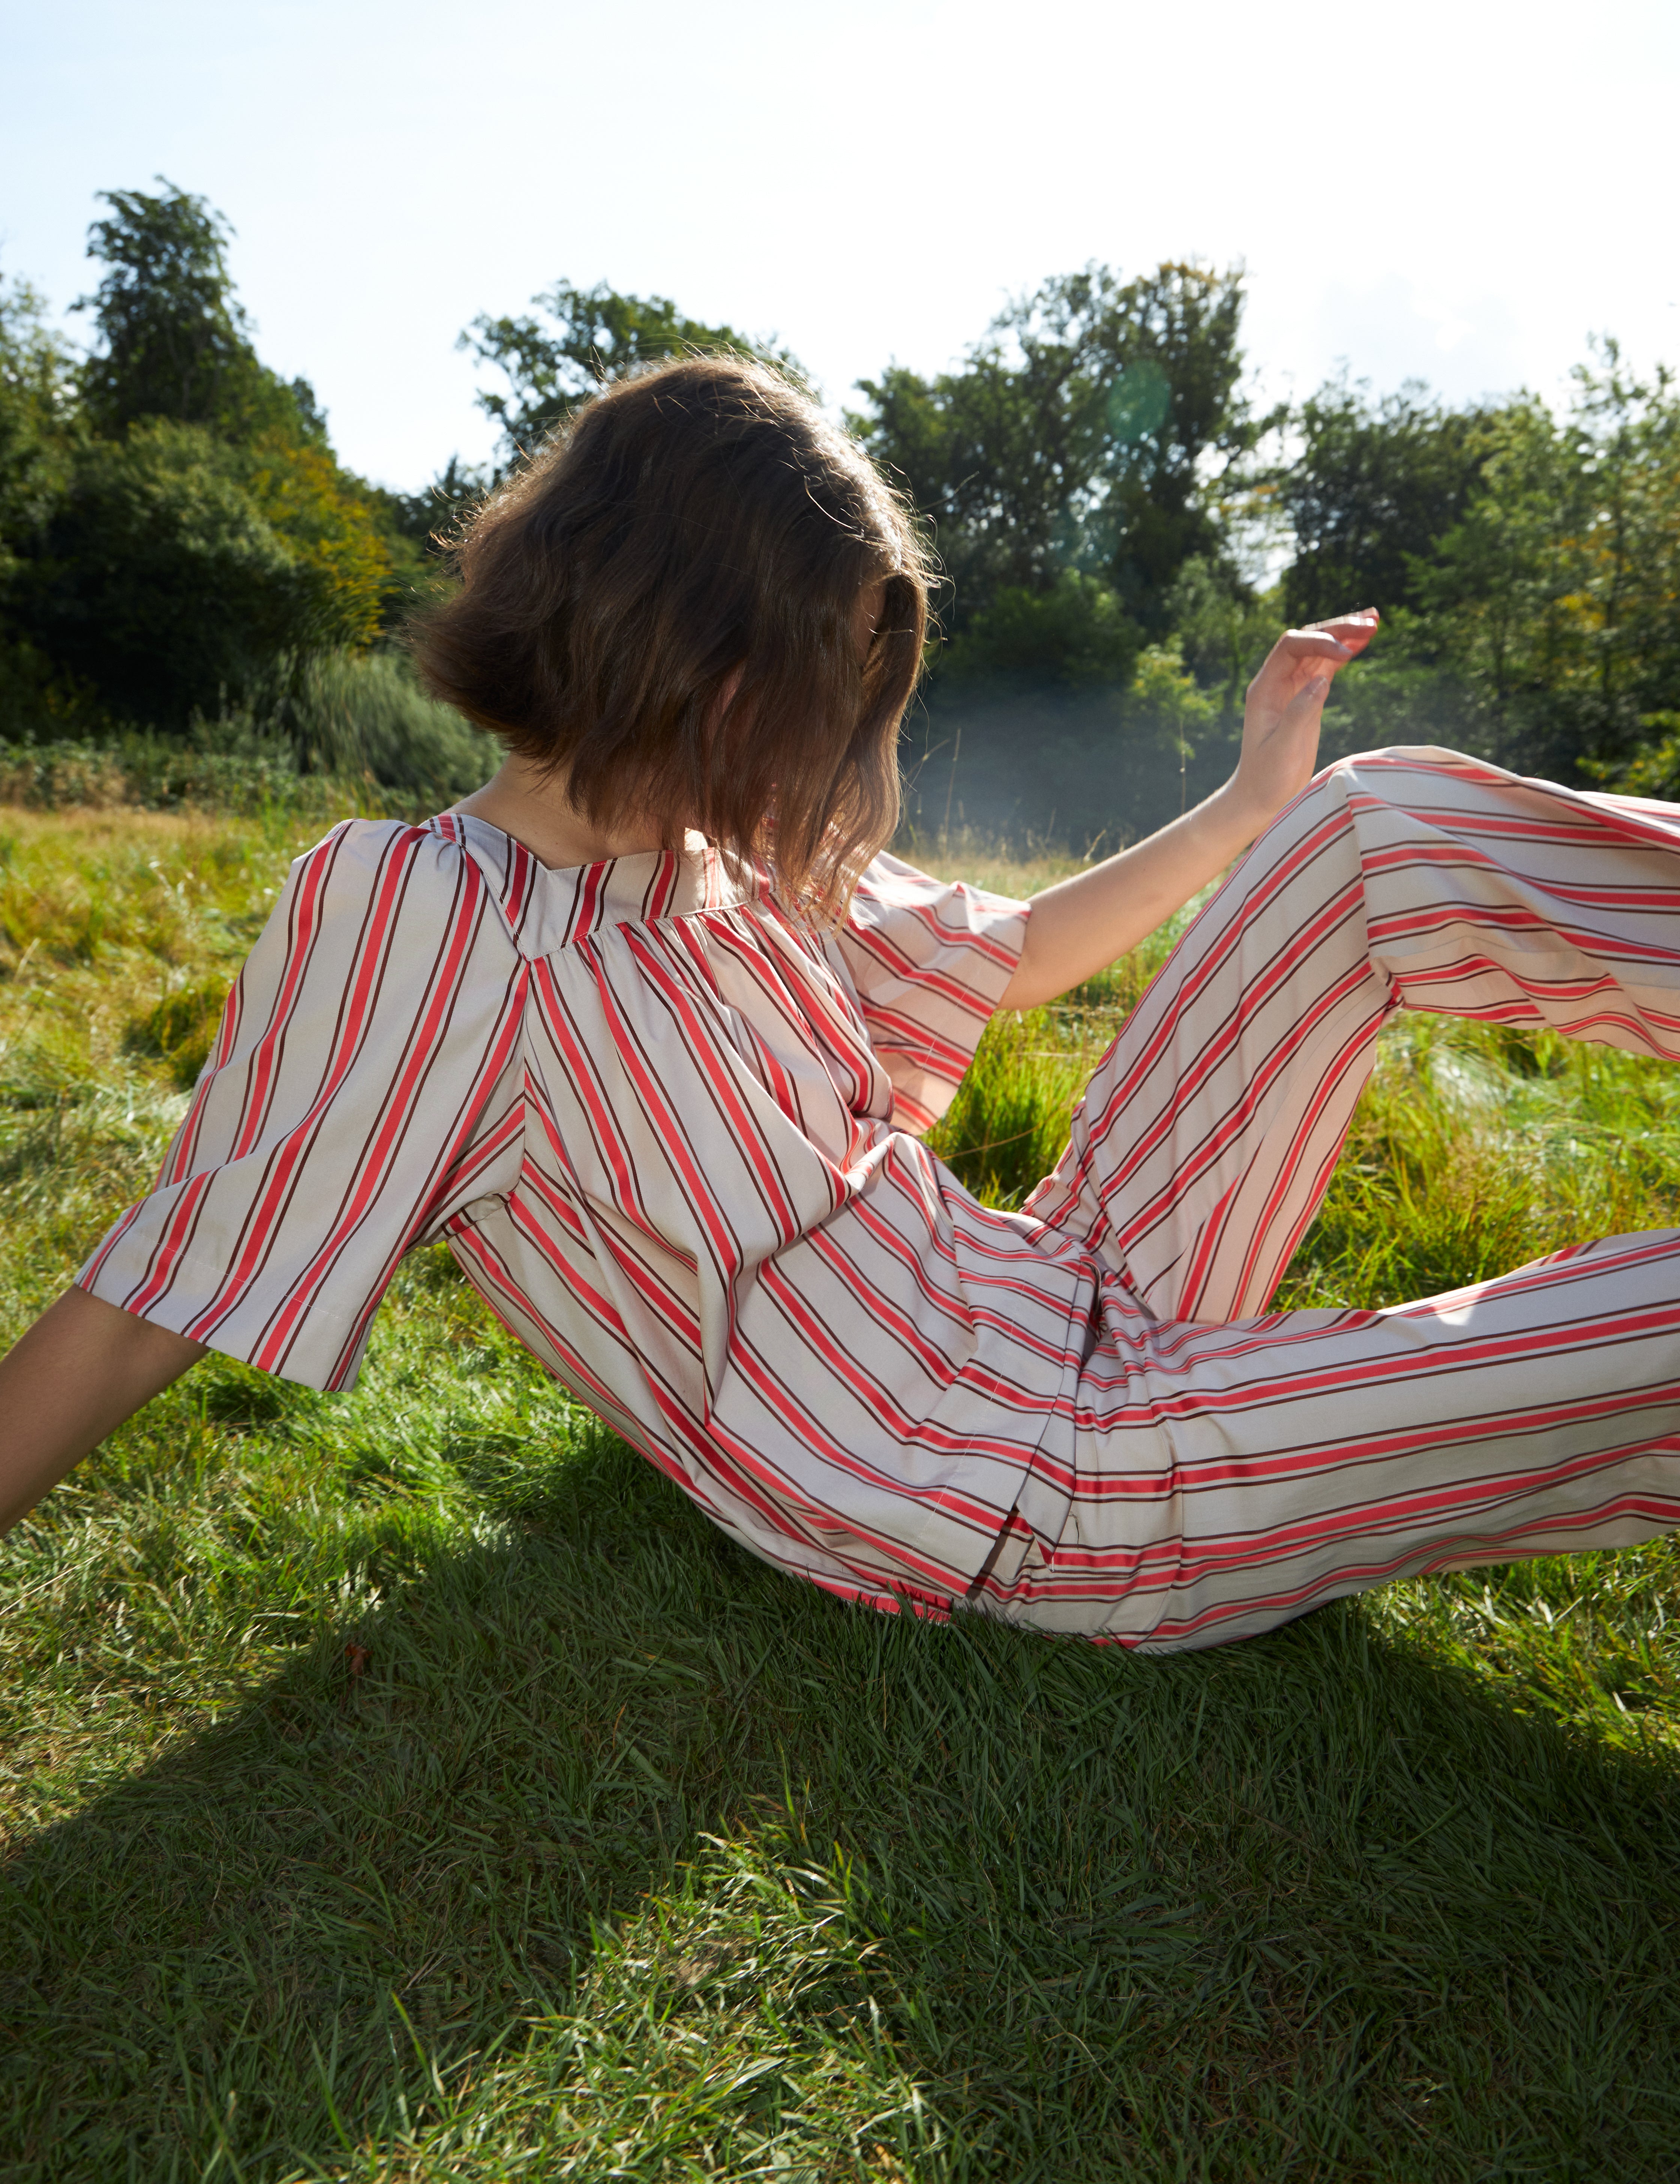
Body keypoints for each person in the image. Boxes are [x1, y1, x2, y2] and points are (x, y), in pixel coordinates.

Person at [4, 356, 1679, 1652]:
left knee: (1370, 822)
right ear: (685, 643)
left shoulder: (719, 852)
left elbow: (1001, 955)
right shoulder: (434, 917)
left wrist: (1250, 808)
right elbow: (162, 1291)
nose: (831, 744)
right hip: (1047, 1495)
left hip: (1067, 1281)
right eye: (820, 687)